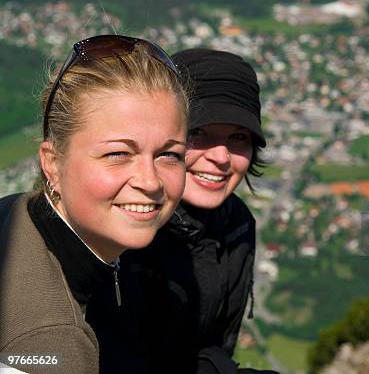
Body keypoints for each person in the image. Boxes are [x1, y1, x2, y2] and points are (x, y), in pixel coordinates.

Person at [0, 35, 188, 374]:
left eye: (169, 154)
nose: (150, 181)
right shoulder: (53, 340)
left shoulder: (14, 214)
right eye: (118, 153)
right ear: (53, 164)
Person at [88, 49, 277, 374]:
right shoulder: (122, 228)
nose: (221, 156)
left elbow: (219, 346)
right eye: (198, 133)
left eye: (238, 137)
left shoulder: (236, 223)